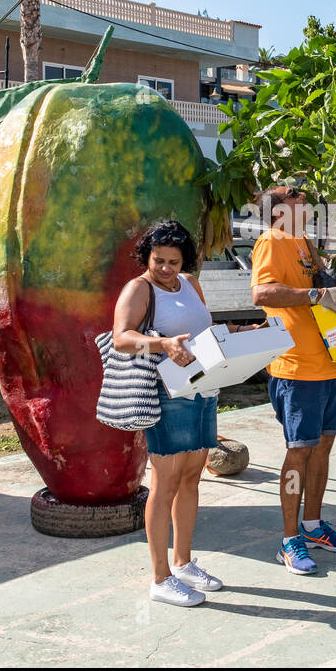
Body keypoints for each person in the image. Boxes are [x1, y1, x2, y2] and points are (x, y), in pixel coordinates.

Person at [112, 219, 240, 607]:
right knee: (164, 483)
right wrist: (163, 343)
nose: (166, 268)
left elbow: (204, 329)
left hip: (204, 390)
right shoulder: (139, 288)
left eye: (174, 261)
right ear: (146, 256)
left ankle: (183, 563)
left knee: (190, 478)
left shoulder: (190, 284)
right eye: (158, 260)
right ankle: (160, 577)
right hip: (168, 395)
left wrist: (235, 332)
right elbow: (121, 338)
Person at [249, 185, 336, 575]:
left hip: (329, 364)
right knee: (299, 453)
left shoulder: (303, 242)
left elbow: (320, 286)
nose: (307, 202)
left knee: (322, 449)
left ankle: (313, 526)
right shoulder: (273, 240)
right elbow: (262, 291)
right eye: (297, 198)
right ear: (279, 209)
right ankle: (289, 538)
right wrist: (315, 295)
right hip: (296, 369)